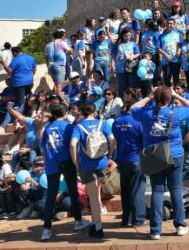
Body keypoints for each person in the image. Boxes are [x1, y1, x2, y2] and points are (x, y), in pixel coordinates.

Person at [131, 86, 189, 238]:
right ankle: (180, 225)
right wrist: (176, 95)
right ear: (169, 98)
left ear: (155, 97)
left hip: (155, 157)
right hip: (175, 155)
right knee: (175, 190)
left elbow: (133, 107)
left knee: (157, 191)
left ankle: (155, 230)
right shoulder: (176, 112)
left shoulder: (146, 113)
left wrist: (149, 97)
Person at [40, 104, 89, 241]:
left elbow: (44, 148)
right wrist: (76, 162)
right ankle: (78, 221)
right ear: (65, 113)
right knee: (73, 191)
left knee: (51, 196)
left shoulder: (48, 128)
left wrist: (47, 163)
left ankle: (46, 229)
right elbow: (72, 144)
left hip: (51, 163)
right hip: (67, 161)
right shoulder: (68, 126)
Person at [70, 103, 115, 238]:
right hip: (102, 162)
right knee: (97, 193)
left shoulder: (78, 126)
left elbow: (73, 144)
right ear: (94, 112)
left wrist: (75, 161)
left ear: (82, 112)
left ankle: (97, 225)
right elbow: (112, 140)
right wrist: (109, 155)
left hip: (87, 165)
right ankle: (96, 221)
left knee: (93, 196)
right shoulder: (103, 123)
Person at [111, 101, 146, 228]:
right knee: (137, 190)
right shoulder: (138, 122)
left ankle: (126, 218)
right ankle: (138, 219)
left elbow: (115, 139)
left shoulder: (116, 122)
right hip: (136, 159)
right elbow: (144, 140)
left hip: (122, 159)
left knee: (125, 191)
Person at [7, 46, 37, 112]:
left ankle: (20, 117)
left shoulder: (16, 59)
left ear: (14, 53)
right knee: (29, 98)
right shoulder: (31, 58)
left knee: (20, 102)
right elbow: (34, 68)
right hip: (29, 82)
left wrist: (3, 64)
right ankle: (29, 112)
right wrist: (31, 75)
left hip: (19, 83)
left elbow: (9, 71)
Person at [114, 29, 141, 96]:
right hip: (120, 68)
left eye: (129, 35)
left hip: (131, 67)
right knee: (122, 86)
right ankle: (121, 101)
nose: (127, 37)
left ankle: (132, 100)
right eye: (126, 36)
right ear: (122, 36)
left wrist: (133, 57)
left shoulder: (133, 44)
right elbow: (113, 55)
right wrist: (112, 65)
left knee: (132, 85)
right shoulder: (118, 44)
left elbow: (138, 53)